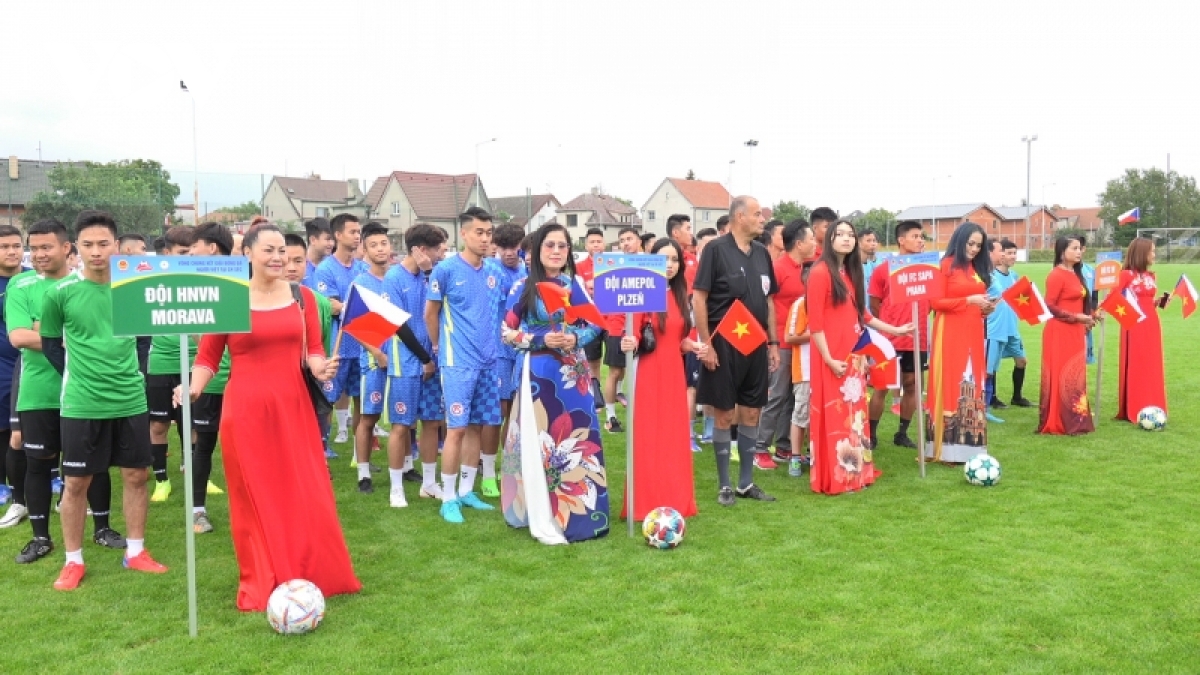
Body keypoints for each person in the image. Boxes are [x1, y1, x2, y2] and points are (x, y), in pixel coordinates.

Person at [181, 224, 360, 610]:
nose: (279, 258)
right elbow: (208, 357)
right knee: (255, 495)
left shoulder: (304, 298)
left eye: (285, 251)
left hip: (293, 407)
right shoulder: (228, 298)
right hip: (244, 409)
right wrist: (193, 387)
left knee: (302, 490)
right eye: (270, 251)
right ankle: (262, 577)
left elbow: (313, 349)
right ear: (248, 253)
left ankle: (310, 570)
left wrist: (319, 368)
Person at [41, 211, 167, 590]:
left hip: (130, 400)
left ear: (117, 246)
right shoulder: (59, 293)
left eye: (103, 244)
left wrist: (132, 374)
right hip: (81, 403)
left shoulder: (133, 290)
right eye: (88, 245)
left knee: (136, 475)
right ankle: (73, 561)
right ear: (75, 248)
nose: (96, 252)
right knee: (76, 482)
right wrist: (82, 376)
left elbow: (144, 341)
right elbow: (50, 345)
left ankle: (136, 551)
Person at [9, 218, 126, 562]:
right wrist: (69, 337)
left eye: (47, 247)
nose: (39, 254)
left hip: (90, 390)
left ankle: (103, 528)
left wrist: (50, 333)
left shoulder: (96, 283)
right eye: (34, 248)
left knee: (96, 463)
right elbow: (19, 336)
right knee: (39, 462)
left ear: (66, 248)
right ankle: (41, 537)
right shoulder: (21, 284)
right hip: (40, 391)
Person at [501, 223, 608, 543]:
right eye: (550, 245)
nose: (557, 251)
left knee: (578, 435)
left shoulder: (573, 283)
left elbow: (596, 325)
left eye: (562, 246)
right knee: (542, 439)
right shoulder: (522, 286)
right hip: (539, 373)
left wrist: (575, 336)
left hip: (573, 373)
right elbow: (506, 333)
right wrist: (540, 338)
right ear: (536, 251)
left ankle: (581, 516)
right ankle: (542, 512)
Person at [808, 220, 912, 494]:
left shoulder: (849, 272)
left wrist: (897, 330)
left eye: (850, 235)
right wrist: (829, 359)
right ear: (829, 239)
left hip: (853, 354)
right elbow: (815, 324)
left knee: (854, 415)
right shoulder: (820, 272)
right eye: (839, 234)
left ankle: (855, 474)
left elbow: (862, 316)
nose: (846, 239)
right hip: (832, 357)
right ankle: (836, 478)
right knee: (835, 414)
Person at [693, 195, 779, 507]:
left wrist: (772, 342)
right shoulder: (715, 250)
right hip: (723, 343)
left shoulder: (761, 253)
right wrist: (707, 344)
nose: (762, 219)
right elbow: (699, 299)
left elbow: (768, 300)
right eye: (757, 214)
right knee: (724, 413)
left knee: (752, 410)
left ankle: (746, 482)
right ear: (739, 216)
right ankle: (725, 485)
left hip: (755, 343)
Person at [425, 207, 504, 524]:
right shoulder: (445, 270)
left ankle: (467, 490)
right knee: (456, 429)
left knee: (477, 426)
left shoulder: (494, 272)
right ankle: (448, 497)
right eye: (479, 233)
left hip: (489, 361)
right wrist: (437, 347)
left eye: (488, 233)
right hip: (458, 363)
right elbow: (430, 314)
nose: (485, 239)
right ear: (464, 234)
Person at [619, 238, 702, 520]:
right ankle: (644, 502)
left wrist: (690, 345)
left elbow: (675, 337)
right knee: (648, 437)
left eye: (675, 260)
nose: (669, 265)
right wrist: (630, 339)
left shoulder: (681, 292)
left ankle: (675, 498)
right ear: (650, 261)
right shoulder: (643, 292)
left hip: (673, 373)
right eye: (663, 259)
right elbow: (637, 332)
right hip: (648, 372)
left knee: (672, 438)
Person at [382, 224, 444, 501]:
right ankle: (396, 487)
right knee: (401, 424)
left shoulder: (433, 275)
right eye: (437, 248)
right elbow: (397, 325)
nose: (442, 252)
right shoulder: (394, 278)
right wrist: (423, 359)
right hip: (405, 363)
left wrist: (432, 359)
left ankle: (429, 483)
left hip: (434, 361)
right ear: (419, 250)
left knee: (431, 422)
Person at [925, 222, 995, 463]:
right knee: (952, 382)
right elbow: (936, 303)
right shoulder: (945, 266)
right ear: (959, 240)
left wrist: (984, 307)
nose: (975, 249)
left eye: (979, 245)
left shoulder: (976, 268)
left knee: (973, 381)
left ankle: (969, 448)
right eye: (971, 243)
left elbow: (975, 301)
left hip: (974, 330)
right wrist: (969, 300)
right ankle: (946, 448)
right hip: (950, 332)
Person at [181, 223, 234, 533]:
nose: (191, 254)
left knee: (243, 449)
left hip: (241, 386)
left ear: (212, 249)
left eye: (194, 248)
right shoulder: (193, 287)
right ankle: (197, 510)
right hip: (209, 383)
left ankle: (253, 508)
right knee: (203, 446)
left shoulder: (242, 286)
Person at [867, 220, 931, 449]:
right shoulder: (884, 269)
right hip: (890, 339)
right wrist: (889, 325)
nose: (920, 240)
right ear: (901, 240)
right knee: (882, 386)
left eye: (922, 236)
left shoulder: (928, 269)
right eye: (915, 236)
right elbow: (874, 303)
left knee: (913, 385)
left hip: (917, 339)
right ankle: (871, 434)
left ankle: (902, 433)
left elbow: (932, 301)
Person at [145, 225, 196, 503]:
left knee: (193, 425)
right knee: (158, 425)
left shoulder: (202, 280)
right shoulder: (151, 281)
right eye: (183, 253)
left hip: (194, 363)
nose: (189, 257)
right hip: (161, 363)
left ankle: (196, 473)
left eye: (193, 252)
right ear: (167, 253)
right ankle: (161, 481)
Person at [755, 220, 812, 468]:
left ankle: (785, 446)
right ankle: (759, 448)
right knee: (777, 394)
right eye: (810, 239)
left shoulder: (807, 268)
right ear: (799, 243)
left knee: (794, 396)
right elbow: (764, 304)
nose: (814, 244)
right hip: (782, 340)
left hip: (802, 343)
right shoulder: (777, 268)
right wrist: (772, 343)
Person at [348, 222, 395, 496]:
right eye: (373, 245)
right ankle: (363, 472)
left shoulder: (397, 278)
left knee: (404, 417)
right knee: (369, 416)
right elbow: (352, 325)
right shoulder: (361, 283)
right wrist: (376, 352)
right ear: (364, 251)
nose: (380, 249)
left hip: (399, 359)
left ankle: (405, 465)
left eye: (384, 244)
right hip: (373, 360)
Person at [282, 234, 336, 461]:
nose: (291, 268)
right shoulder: (251, 299)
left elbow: (318, 344)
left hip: (306, 379)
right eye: (286, 261)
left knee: (309, 432)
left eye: (299, 261)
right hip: (272, 382)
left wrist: (318, 366)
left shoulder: (316, 301)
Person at [314, 214, 367, 449]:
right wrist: (354, 307)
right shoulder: (326, 268)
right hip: (339, 346)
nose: (357, 236)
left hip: (363, 346)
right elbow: (332, 306)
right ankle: (322, 448)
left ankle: (360, 453)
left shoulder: (363, 268)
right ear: (338, 235)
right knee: (327, 400)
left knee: (362, 402)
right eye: (352, 232)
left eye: (359, 232)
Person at [1037, 237, 1096, 435]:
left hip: (1076, 330)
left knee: (1075, 375)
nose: (1079, 252)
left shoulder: (1076, 274)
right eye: (1075, 248)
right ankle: (1058, 419)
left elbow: (1080, 302)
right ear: (1062, 251)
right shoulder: (1056, 275)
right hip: (1060, 331)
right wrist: (1075, 317)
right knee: (1062, 374)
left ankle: (1076, 416)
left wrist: (1091, 316)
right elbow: (1050, 305)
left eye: (1080, 248)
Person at [486, 223, 527, 498]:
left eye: (514, 247)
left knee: (518, 413)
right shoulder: (489, 270)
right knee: (497, 411)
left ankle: (510, 468)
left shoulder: (528, 272)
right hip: (497, 350)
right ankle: (488, 470)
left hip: (523, 347)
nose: (510, 253)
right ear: (495, 247)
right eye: (504, 247)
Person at [1114, 238, 1166, 423]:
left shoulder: (1151, 276)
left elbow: (1145, 298)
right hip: (1134, 323)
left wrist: (1156, 302)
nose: (1154, 254)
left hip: (1152, 322)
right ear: (1141, 253)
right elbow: (1115, 299)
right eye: (1151, 251)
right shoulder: (1126, 275)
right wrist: (1128, 316)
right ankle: (1135, 404)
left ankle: (1152, 401)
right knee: (1137, 361)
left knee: (1152, 362)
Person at [600, 227, 643, 432]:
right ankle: (611, 417)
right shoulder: (613, 266)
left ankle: (640, 416)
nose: (626, 243)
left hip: (642, 330)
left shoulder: (649, 265)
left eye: (629, 238)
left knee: (639, 374)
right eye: (622, 240)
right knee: (615, 372)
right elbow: (604, 300)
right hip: (618, 328)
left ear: (639, 241)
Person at [984, 239, 1031, 422]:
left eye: (1013, 253)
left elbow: (1022, 300)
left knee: (1021, 361)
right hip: (996, 327)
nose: (1010, 256)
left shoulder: (1014, 276)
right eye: (1006, 252)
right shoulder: (989, 275)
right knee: (990, 367)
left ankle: (1016, 396)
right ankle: (990, 400)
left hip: (1012, 327)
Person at [0, 224, 26, 521]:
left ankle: (49, 477)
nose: (11, 251)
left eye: (15, 245)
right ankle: (5, 485)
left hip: (32, 362)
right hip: (3, 364)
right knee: (5, 427)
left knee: (27, 424)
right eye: (4, 246)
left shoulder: (32, 279)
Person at [784, 260, 814, 477]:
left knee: (819, 415)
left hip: (826, 370)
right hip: (805, 370)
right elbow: (789, 337)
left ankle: (814, 454)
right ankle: (795, 457)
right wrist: (816, 335)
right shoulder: (800, 305)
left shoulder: (830, 304)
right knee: (801, 413)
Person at [573, 227, 608, 418]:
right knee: (593, 359)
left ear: (604, 244)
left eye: (599, 241)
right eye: (592, 242)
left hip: (610, 317)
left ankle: (611, 394)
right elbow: (577, 292)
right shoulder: (579, 267)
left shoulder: (611, 264)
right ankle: (596, 394)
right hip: (590, 318)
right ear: (586, 245)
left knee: (614, 361)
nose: (596, 245)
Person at [1078, 236, 1097, 365]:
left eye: (1078, 248)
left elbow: (1094, 297)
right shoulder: (1060, 272)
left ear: (1083, 249)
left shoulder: (1091, 271)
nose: (1076, 252)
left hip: (1087, 321)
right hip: (1070, 320)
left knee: (1083, 360)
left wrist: (1092, 317)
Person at [303, 217, 334, 289]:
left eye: (333, 239)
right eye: (328, 239)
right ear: (313, 240)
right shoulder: (299, 265)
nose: (332, 243)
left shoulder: (333, 265)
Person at [859, 227, 881, 296]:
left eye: (874, 241)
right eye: (868, 241)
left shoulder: (878, 262)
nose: (873, 244)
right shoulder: (853, 266)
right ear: (859, 243)